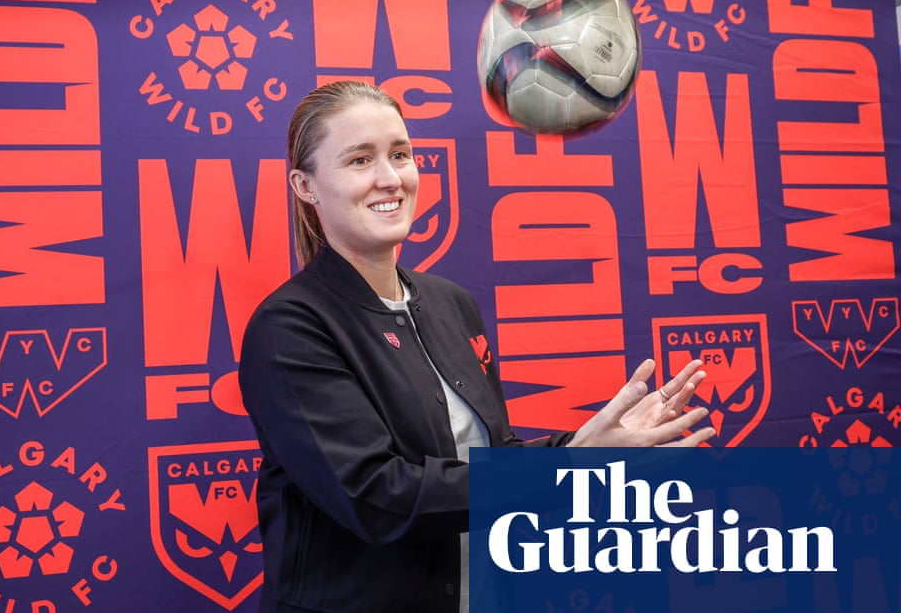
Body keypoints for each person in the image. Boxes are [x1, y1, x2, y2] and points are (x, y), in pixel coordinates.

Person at [238, 80, 715, 613]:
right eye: (359, 160)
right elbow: (375, 497)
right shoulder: (291, 327)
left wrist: (599, 443)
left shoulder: (451, 303)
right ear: (305, 185)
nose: (390, 178)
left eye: (400, 154)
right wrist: (570, 467)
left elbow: (490, 460)